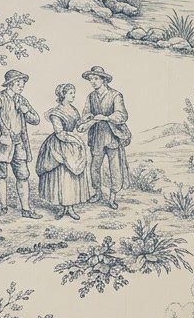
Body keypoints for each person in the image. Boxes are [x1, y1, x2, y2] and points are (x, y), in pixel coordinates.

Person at [0, 68, 41, 219]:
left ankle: (26, 209)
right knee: (0, 175)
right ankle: (2, 206)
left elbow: (36, 119)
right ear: (10, 84)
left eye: (22, 83)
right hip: (1, 144)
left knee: (23, 175)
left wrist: (26, 111)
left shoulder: (22, 100)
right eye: (18, 83)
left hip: (19, 143)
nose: (22, 86)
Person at [35, 83, 92, 220]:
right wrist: (75, 140)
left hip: (72, 144)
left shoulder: (73, 110)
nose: (73, 95)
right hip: (59, 145)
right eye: (71, 93)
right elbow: (59, 133)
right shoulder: (56, 112)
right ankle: (62, 207)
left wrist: (87, 122)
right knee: (61, 176)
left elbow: (78, 127)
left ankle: (70, 207)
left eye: (73, 93)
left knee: (71, 177)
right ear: (63, 95)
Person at [80, 65, 131, 210]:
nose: (93, 82)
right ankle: (97, 192)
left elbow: (122, 115)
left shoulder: (115, 95)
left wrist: (107, 117)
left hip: (112, 135)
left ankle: (113, 196)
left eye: (96, 79)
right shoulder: (91, 96)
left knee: (115, 167)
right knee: (95, 166)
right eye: (91, 79)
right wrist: (89, 117)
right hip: (97, 136)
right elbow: (85, 114)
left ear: (104, 80)